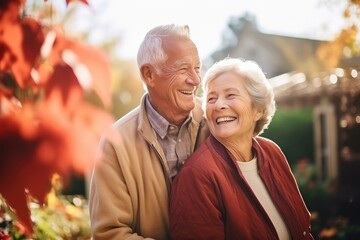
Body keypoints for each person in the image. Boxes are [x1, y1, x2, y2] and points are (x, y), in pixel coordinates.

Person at [169, 57, 314, 240]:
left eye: (231, 95)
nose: (219, 105)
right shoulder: (196, 176)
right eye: (211, 98)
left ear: (258, 110)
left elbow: (303, 229)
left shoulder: (273, 153)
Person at [88, 24, 209, 240]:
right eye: (183, 69)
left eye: (197, 68)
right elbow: (109, 234)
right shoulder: (115, 144)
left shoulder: (215, 123)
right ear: (149, 74)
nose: (196, 80)